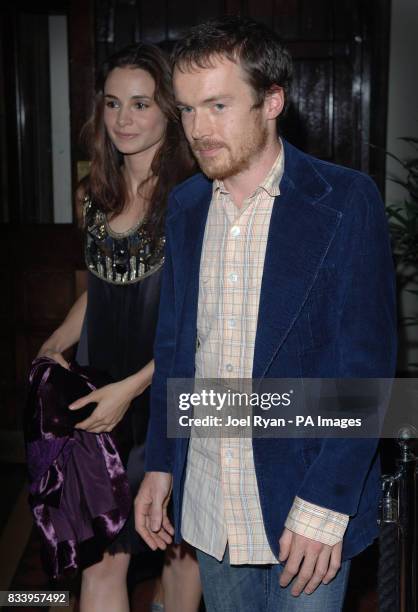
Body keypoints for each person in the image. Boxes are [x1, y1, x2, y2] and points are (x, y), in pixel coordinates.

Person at [134, 17, 397, 612]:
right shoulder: (186, 205)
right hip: (208, 496)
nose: (199, 130)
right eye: (188, 110)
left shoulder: (345, 200)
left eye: (219, 105)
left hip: (302, 503)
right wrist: (160, 465)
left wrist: (328, 502)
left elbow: (363, 369)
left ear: (272, 101)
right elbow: (177, 347)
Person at [37, 43, 201, 612]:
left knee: (180, 551)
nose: (124, 120)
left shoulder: (194, 198)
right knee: (101, 557)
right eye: (112, 104)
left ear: (168, 112)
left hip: (167, 396)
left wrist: (132, 390)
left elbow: (200, 322)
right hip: (98, 392)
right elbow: (101, 285)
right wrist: (59, 338)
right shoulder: (94, 194)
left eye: (140, 104)